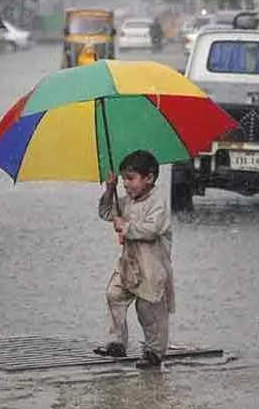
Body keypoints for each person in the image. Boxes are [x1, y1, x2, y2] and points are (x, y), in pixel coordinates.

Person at [94, 150, 175, 369]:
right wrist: (110, 189)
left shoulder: (158, 202)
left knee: (149, 310)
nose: (127, 185)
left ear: (148, 178)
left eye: (131, 179)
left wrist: (126, 227)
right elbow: (105, 212)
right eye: (123, 180)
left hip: (151, 267)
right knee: (114, 294)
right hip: (129, 264)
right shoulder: (127, 201)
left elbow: (151, 230)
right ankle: (116, 341)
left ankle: (154, 351)